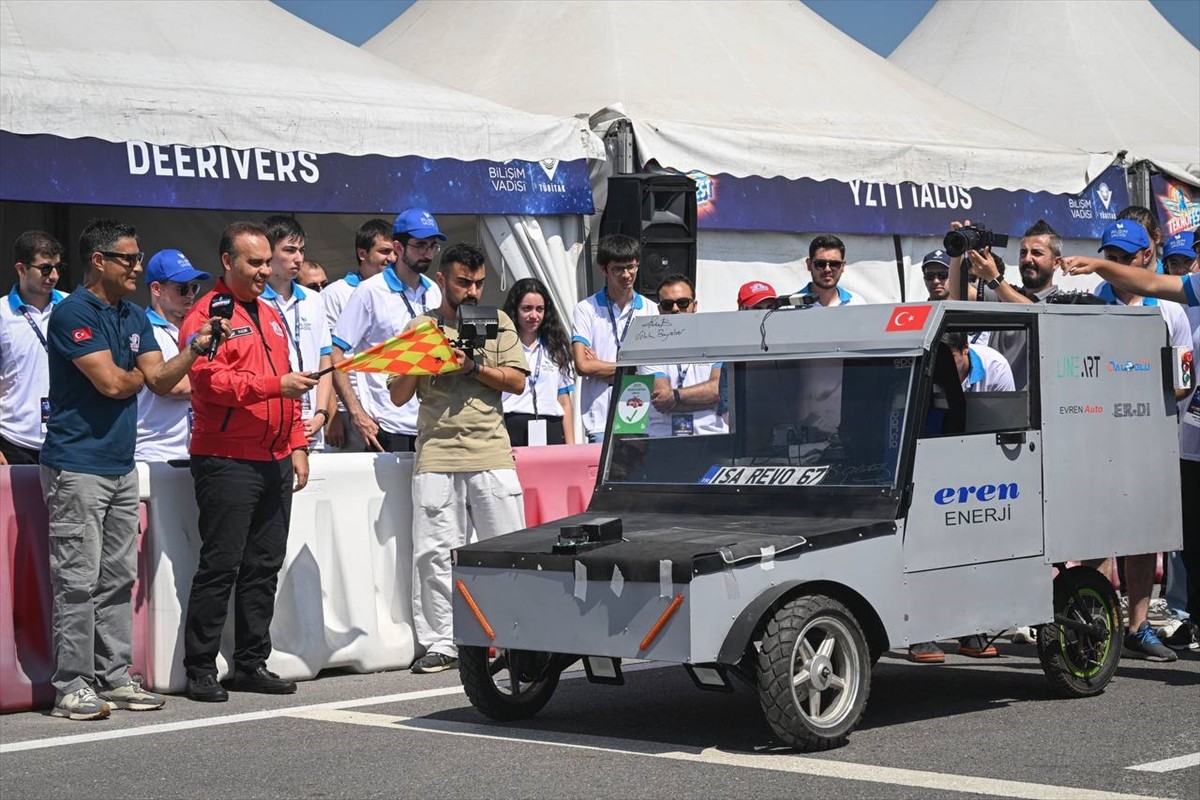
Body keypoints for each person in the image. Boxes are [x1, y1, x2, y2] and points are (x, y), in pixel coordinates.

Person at [40, 218, 226, 720]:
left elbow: (159, 381)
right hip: (76, 466)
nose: (138, 268)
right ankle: (72, 685)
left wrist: (193, 348)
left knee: (118, 576)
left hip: (121, 464)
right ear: (98, 261)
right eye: (129, 259)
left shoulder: (133, 315)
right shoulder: (71, 314)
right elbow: (114, 385)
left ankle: (114, 676)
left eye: (139, 258)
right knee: (77, 580)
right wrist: (137, 371)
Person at [179, 221, 318, 702]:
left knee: (263, 564)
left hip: (275, 455)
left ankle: (250, 663)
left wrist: (297, 441)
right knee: (221, 565)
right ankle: (199, 668)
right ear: (227, 262)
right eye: (254, 262)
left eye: (266, 262)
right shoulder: (206, 313)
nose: (265, 270)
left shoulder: (271, 313)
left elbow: (289, 380)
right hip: (226, 458)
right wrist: (272, 389)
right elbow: (207, 382)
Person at [388, 243, 528, 673]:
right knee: (434, 553)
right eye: (463, 283)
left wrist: (472, 367)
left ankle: (514, 638)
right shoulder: (420, 325)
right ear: (443, 281)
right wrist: (422, 357)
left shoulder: (497, 320)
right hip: (436, 452)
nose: (471, 291)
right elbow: (397, 396)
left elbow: (517, 382)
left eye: (479, 283)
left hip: (490, 449)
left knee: (506, 550)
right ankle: (442, 643)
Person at [1064, 223, 1198, 657]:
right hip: (1097, 436)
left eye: (1124, 256)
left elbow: (1183, 383)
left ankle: (1140, 627)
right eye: (1110, 255)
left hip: (1150, 438)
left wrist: (1134, 392)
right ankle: (1097, 623)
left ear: (1144, 255)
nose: (1116, 263)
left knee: (1142, 534)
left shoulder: (1170, 311)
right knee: (1094, 533)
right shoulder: (1086, 303)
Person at [332, 210, 444, 453]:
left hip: (431, 424)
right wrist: (357, 413)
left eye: (433, 246)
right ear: (398, 247)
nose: (427, 253)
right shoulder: (370, 291)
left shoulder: (434, 291)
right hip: (386, 424)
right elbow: (337, 353)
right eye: (420, 245)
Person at [572, 234, 657, 443]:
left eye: (631, 267)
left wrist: (601, 367)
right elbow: (582, 366)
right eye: (618, 269)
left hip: (641, 415)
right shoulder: (586, 309)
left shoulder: (651, 309)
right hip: (599, 418)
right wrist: (632, 368)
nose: (626, 275)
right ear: (604, 269)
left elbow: (652, 369)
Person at [261, 216, 334, 451]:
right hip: (272, 428)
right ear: (268, 253)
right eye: (290, 250)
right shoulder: (255, 301)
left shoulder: (313, 299)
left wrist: (321, 413)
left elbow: (325, 358)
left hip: (312, 426)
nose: (298, 258)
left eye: (301, 250)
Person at [322, 219, 395, 451]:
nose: (391, 258)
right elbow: (327, 356)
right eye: (384, 251)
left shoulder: (402, 291)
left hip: (392, 405)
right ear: (362, 253)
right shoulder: (336, 293)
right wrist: (334, 414)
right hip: (350, 409)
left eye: (394, 251)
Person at [135, 249, 210, 462]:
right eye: (182, 288)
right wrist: (221, 382)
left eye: (194, 287)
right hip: (154, 451)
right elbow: (172, 386)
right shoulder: (144, 328)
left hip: (193, 448)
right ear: (156, 289)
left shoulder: (195, 328)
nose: (190, 295)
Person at [1, 231, 65, 465]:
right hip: (13, 441)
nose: (54, 276)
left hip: (66, 440)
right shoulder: (2, 314)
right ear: (21, 269)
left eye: (58, 267)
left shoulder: (72, 307)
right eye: (46, 269)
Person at [640, 274, 725, 437]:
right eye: (667, 304)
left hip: (710, 436)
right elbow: (661, 400)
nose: (675, 309)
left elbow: (717, 391)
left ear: (695, 305)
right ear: (659, 310)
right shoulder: (648, 347)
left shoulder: (716, 342)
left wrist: (674, 397)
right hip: (663, 438)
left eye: (683, 303)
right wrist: (703, 398)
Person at [501, 277, 575, 446]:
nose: (534, 315)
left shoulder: (556, 348)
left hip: (550, 427)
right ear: (515, 310)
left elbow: (564, 401)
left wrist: (571, 445)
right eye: (527, 309)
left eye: (539, 309)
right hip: (511, 427)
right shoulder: (501, 346)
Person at [793, 235, 864, 306]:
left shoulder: (857, 303)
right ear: (809, 265)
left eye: (834, 264)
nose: (827, 269)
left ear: (842, 266)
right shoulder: (791, 306)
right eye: (820, 264)